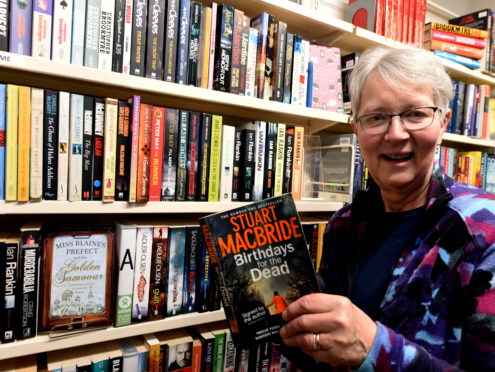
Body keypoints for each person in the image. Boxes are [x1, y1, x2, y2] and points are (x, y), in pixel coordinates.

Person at [279, 46, 495, 371]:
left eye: (415, 114)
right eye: (377, 118)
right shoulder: (344, 225)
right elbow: (322, 353)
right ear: (357, 130)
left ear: (443, 123)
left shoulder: (485, 231)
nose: (396, 134)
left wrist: (373, 348)